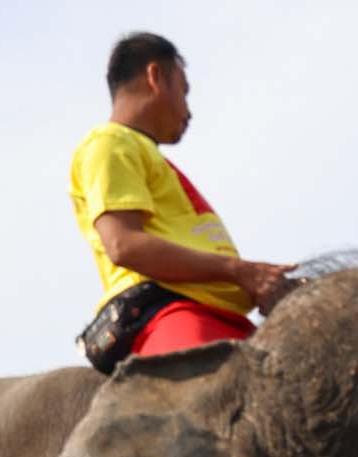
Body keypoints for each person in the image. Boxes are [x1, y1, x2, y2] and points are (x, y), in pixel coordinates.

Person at [68, 33, 296, 372]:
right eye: (184, 90)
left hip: (221, 319)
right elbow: (124, 244)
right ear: (155, 77)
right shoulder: (109, 143)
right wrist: (239, 270)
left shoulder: (147, 155)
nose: (188, 110)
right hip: (172, 317)